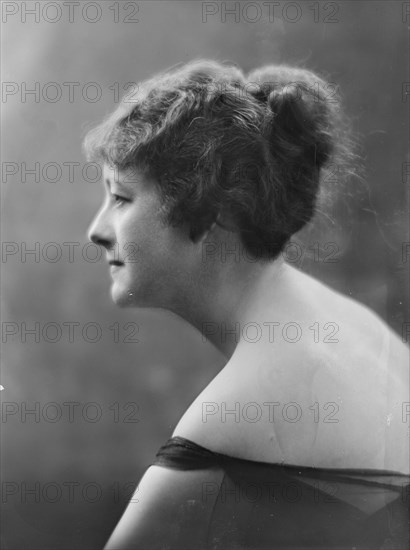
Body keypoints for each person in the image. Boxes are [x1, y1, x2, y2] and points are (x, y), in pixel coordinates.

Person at [84, 60, 409, 549]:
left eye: (122, 198)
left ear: (213, 210)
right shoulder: (352, 325)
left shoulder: (234, 414)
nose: (97, 229)